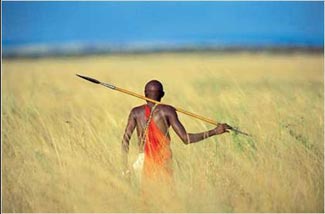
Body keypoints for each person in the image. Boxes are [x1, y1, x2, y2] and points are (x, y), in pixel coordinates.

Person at [121, 80, 231, 187]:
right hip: (163, 162)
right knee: (167, 200)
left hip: (142, 162)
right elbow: (186, 139)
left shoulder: (135, 112)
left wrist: (125, 168)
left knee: (146, 202)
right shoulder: (168, 111)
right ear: (163, 94)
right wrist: (215, 131)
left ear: (144, 94)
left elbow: (125, 140)